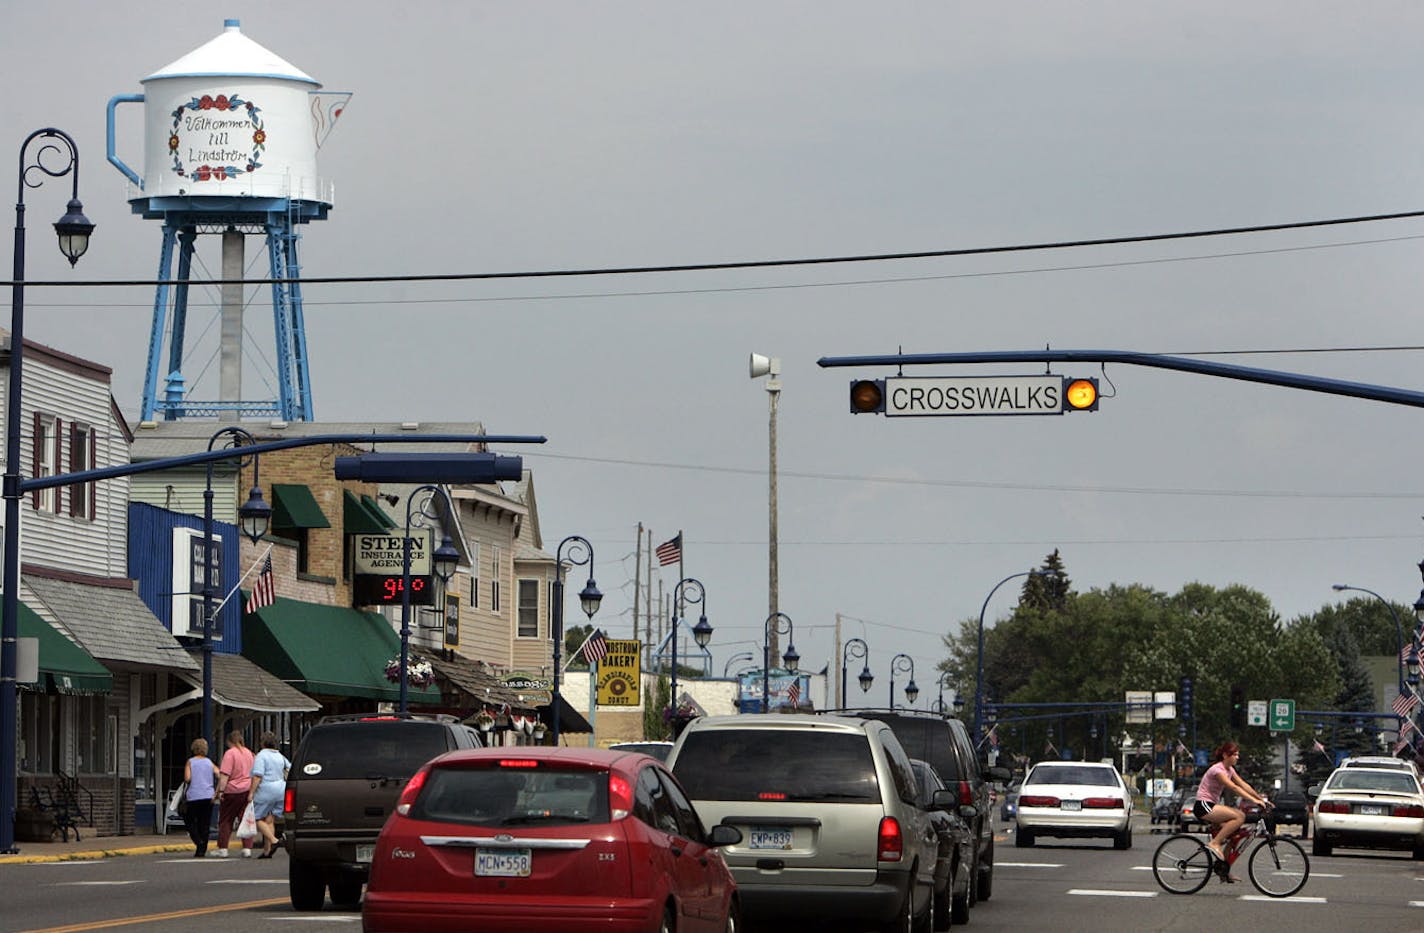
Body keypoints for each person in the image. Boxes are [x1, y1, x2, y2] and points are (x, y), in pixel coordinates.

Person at [1193, 741, 1271, 878]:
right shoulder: (1217, 770)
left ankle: (1224, 871)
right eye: (1234, 754)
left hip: (1211, 806)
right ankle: (1215, 843)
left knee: (1234, 835)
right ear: (1225, 755)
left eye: (1238, 754)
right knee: (1239, 816)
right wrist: (1254, 801)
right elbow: (1234, 787)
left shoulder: (1229, 770)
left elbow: (1243, 784)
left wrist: (1261, 799)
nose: (1237, 757)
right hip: (1203, 805)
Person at [248, 730, 290, 859]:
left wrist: (251, 793)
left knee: (257, 818)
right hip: (280, 789)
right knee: (269, 819)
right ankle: (267, 850)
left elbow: (257, 776)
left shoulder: (261, 756)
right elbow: (289, 768)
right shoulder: (280, 756)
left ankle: (274, 840)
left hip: (266, 790)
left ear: (262, 743)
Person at [215, 730, 255, 858]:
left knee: (226, 820)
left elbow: (224, 774)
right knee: (245, 818)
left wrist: (221, 791)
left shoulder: (230, 754)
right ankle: (247, 847)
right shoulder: (249, 753)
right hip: (247, 789)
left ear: (229, 741)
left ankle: (223, 848)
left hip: (232, 790)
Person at [183, 738, 217, 858]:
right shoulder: (209, 762)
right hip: (208, 795)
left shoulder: (190, 762)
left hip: (194, 796)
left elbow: (187, 778)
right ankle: (202, 849)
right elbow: (219, 773)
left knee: (190, 820)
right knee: (205, 823)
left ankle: (198, 841)